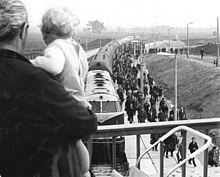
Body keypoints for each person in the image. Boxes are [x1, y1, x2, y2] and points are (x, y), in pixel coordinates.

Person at [0, 1, 97, 177]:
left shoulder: (54, 50)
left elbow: (53, 65)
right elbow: (87, 122)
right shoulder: (35, 78)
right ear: (24, 30)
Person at [30, 7, 94, 177]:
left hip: (66, 103)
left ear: (48, 32)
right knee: (76, 141)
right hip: (80, 101)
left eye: (44, 33)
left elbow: (53, 66)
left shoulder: (55, 47)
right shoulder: (76, 47)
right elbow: (85, 68)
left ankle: (81, 171)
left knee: (67, 142)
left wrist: (31, 64)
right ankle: (85, 172)